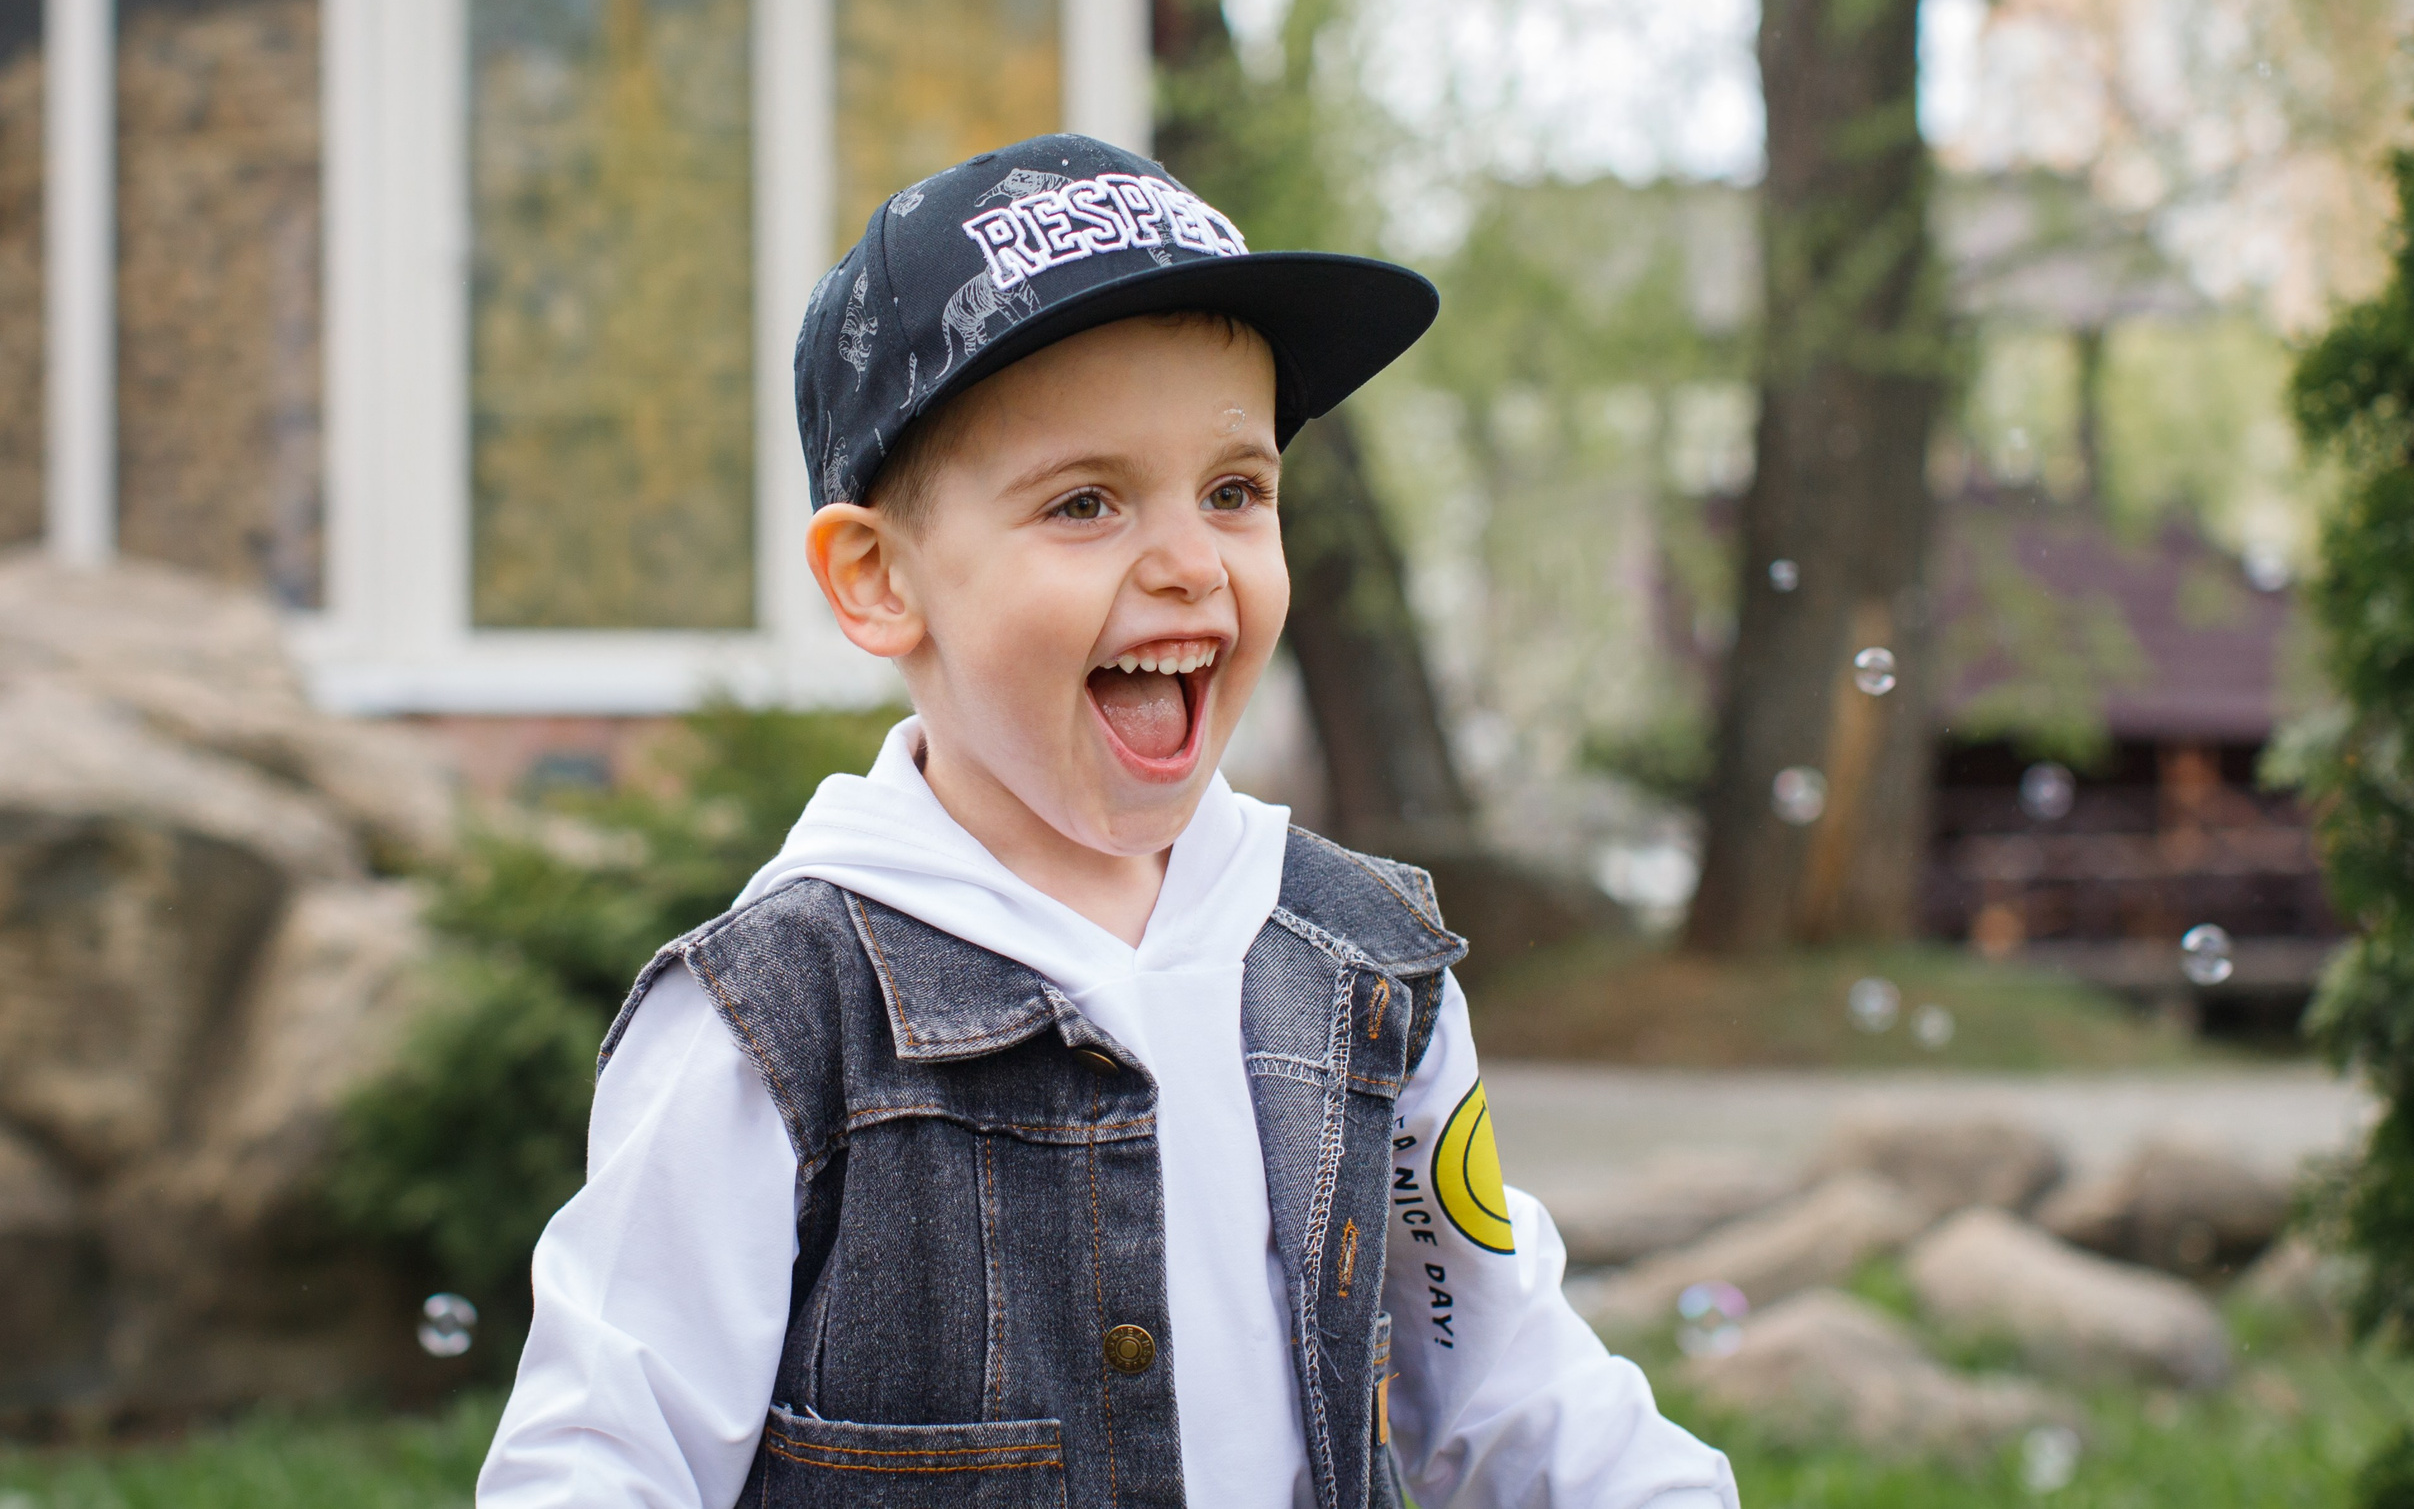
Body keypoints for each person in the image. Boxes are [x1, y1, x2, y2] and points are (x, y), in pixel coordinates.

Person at [477, 133, 1738, 1509]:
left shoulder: (1367, 974)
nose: (1192, 562)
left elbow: (1504, 1387)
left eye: (1234, 492)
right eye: (1085, 502)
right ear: (879, 580)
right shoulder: (775, 1025)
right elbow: (601, 1461)